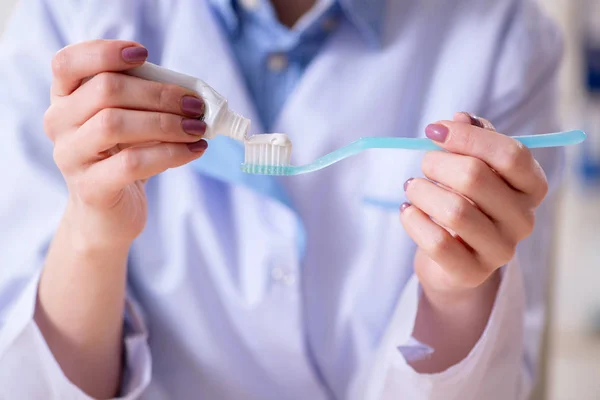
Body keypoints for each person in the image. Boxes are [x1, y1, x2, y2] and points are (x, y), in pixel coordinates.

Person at [0, 0, 563, 398]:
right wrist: (93, 233)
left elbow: (498, 381)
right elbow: (27, 382)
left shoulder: (504, 34)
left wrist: (454, 293)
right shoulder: (68, 16)